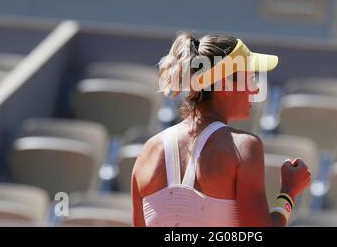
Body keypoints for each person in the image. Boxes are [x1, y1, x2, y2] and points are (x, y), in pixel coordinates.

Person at [132, 33, 311, 227]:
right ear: (225, 84)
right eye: (250, 78)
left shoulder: (148, 152)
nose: (255, 90)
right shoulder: (244, 147)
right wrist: (288, 192)